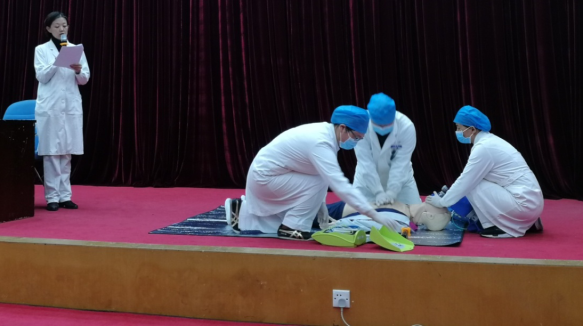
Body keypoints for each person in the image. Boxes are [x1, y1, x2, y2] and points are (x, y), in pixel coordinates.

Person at [225, 106, 403, 240]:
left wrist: (320, 207)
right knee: (320, 181)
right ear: (342, 128)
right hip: (265, 179)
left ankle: (243, 211)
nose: (356, 142)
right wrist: (374, 214)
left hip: (270, 176)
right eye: (356, 137)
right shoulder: (321, 143)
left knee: (318, 179)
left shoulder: (326, 134)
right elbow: (339, 184)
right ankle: (291, 228)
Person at [425, 106, 544, 238]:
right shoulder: (491, 141)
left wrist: (442, 202)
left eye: (459, 128)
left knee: (472, 184)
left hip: (524, 204)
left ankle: (502, 227)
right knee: (475, 182)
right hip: (529, 202)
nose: (457, 132)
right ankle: (522, 221)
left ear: (472, 129)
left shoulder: (483, 148)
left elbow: (465, 181)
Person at [35, 12, 90, 212]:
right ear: (49, 29)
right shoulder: (41, 50)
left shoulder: (75, 49)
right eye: (57, 26)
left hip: (70, 107)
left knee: (66, 152)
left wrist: (77, 70)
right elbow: (41, 76)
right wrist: (57, 61)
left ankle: (65, 196)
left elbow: (84, 78)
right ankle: (52, 197)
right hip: (50, 107)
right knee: (51, 153)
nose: (61, 29)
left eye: (64, 25)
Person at [353, 93, 421, 206]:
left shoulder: (406, 127)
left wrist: (392, 191)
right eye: (378, 125)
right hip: (366, 183)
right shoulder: (360, 126)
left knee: (415, 213)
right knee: (356, 213)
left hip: (402, 183)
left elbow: (401, 163)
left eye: (387, 124)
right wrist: (377, 191)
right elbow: (365, 162)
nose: (382, 128)